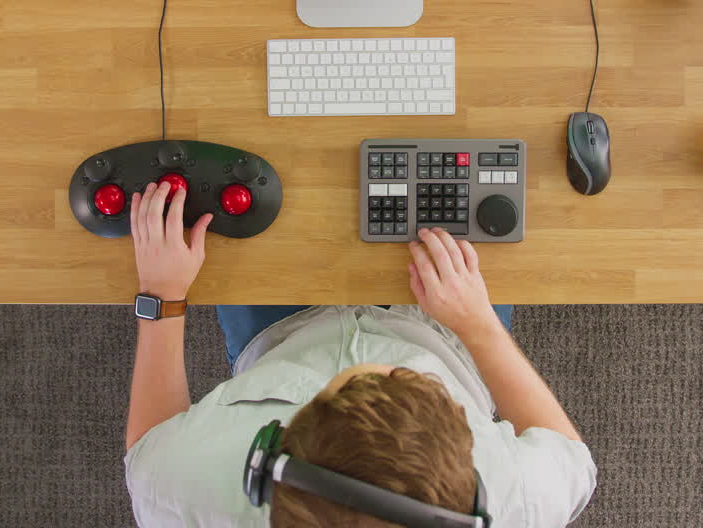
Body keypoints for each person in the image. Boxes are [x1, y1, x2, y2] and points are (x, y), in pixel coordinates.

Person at [123, 180, 596, 526]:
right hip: (452, 334)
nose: (370, 365)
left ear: (267, 454)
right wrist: (480, 327)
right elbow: (568, 453)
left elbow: (151, 442)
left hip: (283, 335)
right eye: (404, 379)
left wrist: (162, 295)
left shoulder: (183, 493)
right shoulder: (519, 501)